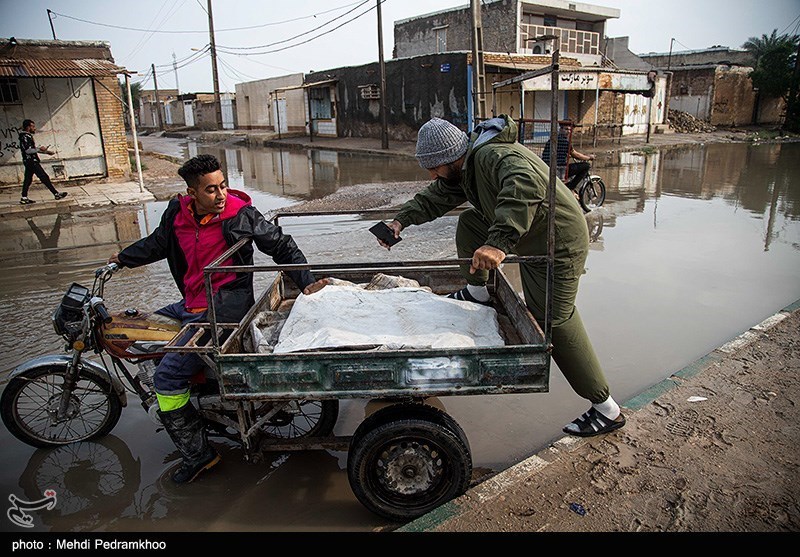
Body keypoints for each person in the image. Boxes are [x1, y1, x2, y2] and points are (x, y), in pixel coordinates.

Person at [377, 116, 625, 438]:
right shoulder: (465, 168)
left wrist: (498, 242)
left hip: (557, 239)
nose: (432, 174)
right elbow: (437, 195)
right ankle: (476, 292)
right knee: (470, 222)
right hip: (530, 234)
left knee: (553, 320)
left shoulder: (493, 156)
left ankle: (606, 408)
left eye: (434, 167)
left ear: (451, 157)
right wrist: (400, 221)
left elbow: (524, 184)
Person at [109, 154, 328, 484]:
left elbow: (280, 245)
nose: (221, 194)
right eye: (211, 190)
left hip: (225, 309)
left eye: (223, 185)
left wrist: (306, 280)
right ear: (191, 193)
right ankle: (201, 389)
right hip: (190, 303)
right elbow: (158, 243)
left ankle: (199, 456)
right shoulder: (177, 213)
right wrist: (122, 259)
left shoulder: (240, 214)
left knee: (166, 379)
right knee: (145, 326)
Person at [18, 119, 68, 205]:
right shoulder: (25, 137)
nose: (34, 128)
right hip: (31, 161)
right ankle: (56, 194)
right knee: (44, 177)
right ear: (28, 127)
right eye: (33, 126)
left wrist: (47, 152)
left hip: (29, 161)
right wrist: (39, 149)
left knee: (28, 180)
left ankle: (24, 197)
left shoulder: (26, 136)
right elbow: (28, 151)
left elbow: (32, 150)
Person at [541, 122, 595, 192]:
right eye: (566, 129)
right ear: (561, 129)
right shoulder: (565, 142)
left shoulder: (552, 139)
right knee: (586, 166)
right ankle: (570, 187)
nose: (568, 132)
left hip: (547, 166)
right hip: (559, 169)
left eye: (570, 130)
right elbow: (576, 155)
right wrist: (589, 157)